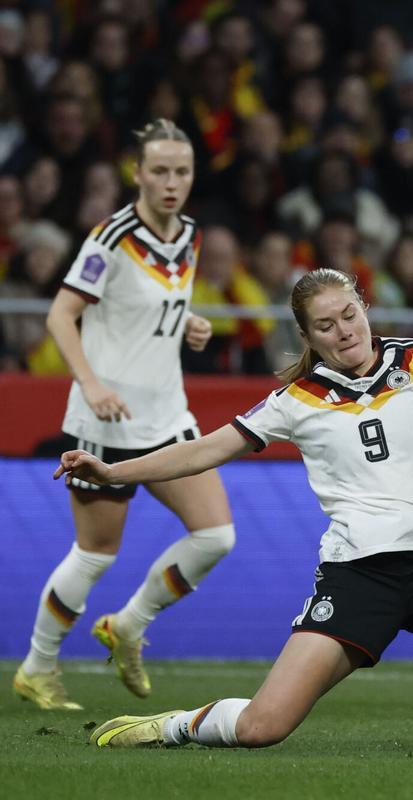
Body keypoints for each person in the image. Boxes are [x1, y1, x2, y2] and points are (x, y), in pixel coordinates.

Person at [70, 268, 413, 749]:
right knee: (263, 727)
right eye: (325, 325)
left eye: (349, 315)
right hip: (359, 576)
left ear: (364, 307)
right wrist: (114, 471)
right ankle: (169, 727)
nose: (344, 331)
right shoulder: (294, 402)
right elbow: (204, 450)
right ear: (306, 336)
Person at [13, 119, 235, 711]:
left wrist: (187, 323)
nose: (171, 183)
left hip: (168, 415)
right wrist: (91, 385)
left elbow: (156, 304)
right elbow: (61, 316)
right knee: (95, 553)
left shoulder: (188, 234)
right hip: (105, 423)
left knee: (216, 535)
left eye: (181, 172)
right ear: (135, 173)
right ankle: (36, 667)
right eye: (159, 171)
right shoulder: (110, 237)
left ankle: (128, 626)